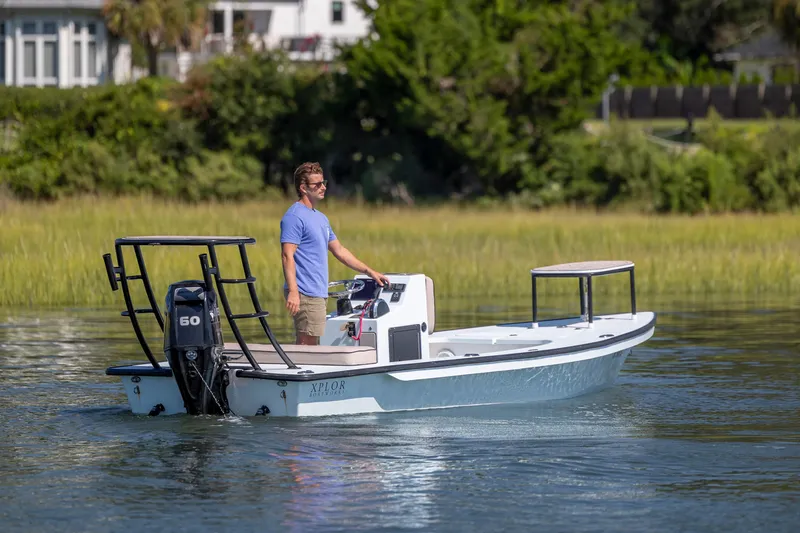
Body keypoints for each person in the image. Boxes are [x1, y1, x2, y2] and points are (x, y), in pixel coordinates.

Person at [280, 162, 390, 345]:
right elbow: (287, 255)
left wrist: (370, 272)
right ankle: (303, 371)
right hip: (305, 291)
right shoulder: (294, 216)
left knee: (311, 340)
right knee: (307, 342)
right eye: (317, 184)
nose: (323, 187)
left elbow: (339, 250)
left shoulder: (321, 218)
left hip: (318, 290)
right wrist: (293, 291)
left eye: (323, 182)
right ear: (303, 188)